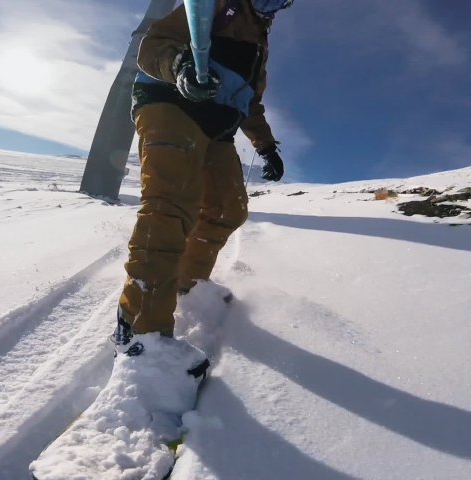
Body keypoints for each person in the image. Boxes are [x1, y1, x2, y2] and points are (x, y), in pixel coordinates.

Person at [112, 0, 293, 385]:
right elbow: (154, 43)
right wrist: (179, 67)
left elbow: (250, 102)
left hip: (218, 128)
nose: (268, 5)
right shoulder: (219, 5)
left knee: (228, 209)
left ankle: (187, 285)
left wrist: (266, 146)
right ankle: (141, 333)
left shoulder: (259, 40)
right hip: (172, 104)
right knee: (170, 205)